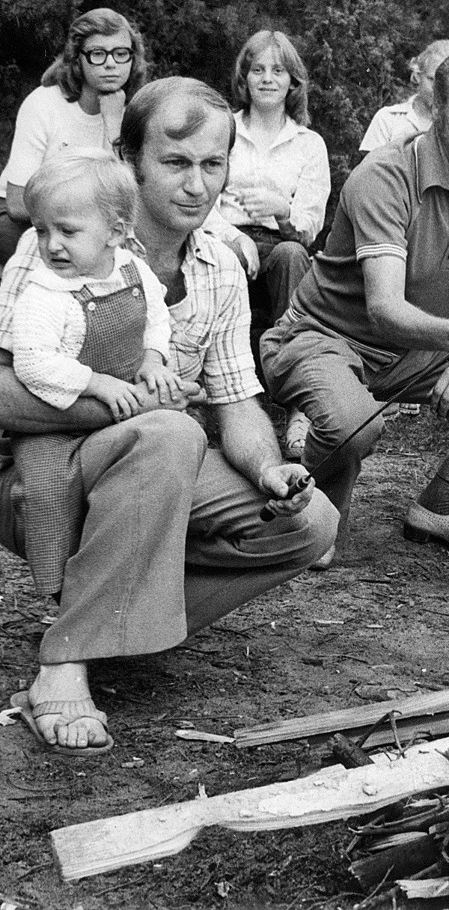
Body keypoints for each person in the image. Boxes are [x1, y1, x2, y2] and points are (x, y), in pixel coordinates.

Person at [0, 78, 338, 754]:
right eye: (176, 163)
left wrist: (271, 467)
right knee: (172, 429)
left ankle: (107, 626)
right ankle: (64, 662)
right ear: (130, 163)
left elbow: (238, 398)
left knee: (310, 523)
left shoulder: (220, 266)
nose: (196, 185)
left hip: (153, 470)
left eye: (212, 165)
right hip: (38, 474)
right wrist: (123, 401)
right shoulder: (56, 248)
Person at [261, 42, 449, 568]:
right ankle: (312, 520)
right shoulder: (385, 176)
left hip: (418, 350)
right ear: (435, 110)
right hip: (322, 337)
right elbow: (385, 309)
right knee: (353, 426)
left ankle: (440, 505)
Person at [11, 150, 180, 599]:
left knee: (151, 474)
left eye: (67, 231)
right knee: (48, 494)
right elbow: (32, 362)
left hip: (124, 409)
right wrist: (96, 383)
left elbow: (156, 317)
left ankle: (127, 584)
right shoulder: (44, 293)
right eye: (41, 230)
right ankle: (59, 589)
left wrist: (152, 358)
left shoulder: (132, 270)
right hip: (58, 424)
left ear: (116, 232)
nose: (52, 246)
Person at [203, 30, 331, 459]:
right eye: (258, 69)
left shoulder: (308, 144)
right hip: (227, 239)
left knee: (293, 256)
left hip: (283, 244)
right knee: (215, 258)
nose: (268, 79)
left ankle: (298, 407)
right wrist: (234, 237)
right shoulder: (224, 130)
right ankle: (223, 406)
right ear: (245, 77)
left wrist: (281, 210)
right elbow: (203, 202)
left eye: (278, 70)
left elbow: (311, 226)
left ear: (293, 81)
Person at [0, 8, 148, 265]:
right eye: (98, 54)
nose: (111, 64)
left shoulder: (134, 111)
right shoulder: (44, 103)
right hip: (28, 220)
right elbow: (16, 204)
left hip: (92, 225)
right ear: (78, 59)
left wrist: (113, 125)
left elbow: (129, 198)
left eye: (121, 53)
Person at [359, 39, 449, 153]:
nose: (437, 89)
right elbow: (370, 168)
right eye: (432, 80)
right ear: (417, 76)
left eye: (444, 83)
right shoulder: (388, 119)